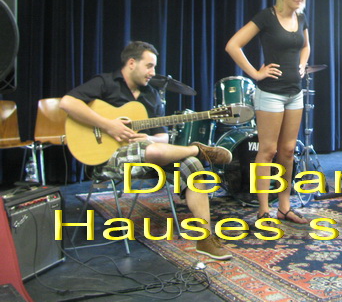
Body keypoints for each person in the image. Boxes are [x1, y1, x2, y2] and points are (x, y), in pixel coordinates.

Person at [60, 41, 234, 260]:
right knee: (151, 150)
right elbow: (67, 102)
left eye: (154, 67)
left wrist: (149, 138)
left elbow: (162, 137)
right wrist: (108, 125)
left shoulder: (151, 95)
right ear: (132, 63)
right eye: (149, 66)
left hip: (148, 156)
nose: (153, 72)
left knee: (193, 165)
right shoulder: (105, 82)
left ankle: (205, 237)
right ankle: (196, 149)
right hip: (108, 159)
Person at [225, 0, 310, 225]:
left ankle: (284, 207)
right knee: (268, 150)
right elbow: (233, 45)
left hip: (295, 93)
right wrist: (255, 73)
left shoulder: (301, 17)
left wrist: (302, 65)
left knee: (288, 151)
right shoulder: (267, 17)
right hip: (270, 94)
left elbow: (306, 46)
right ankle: (263, 210)